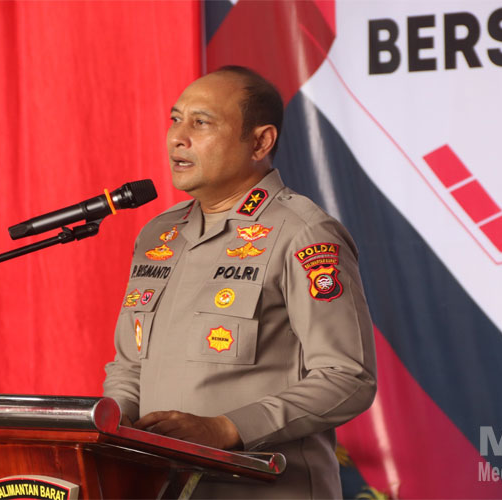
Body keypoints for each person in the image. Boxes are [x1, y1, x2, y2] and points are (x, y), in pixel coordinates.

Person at [103, 66, 376, 499]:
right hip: (164, 487)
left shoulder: (303, 233)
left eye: (201, 123)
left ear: (260, 142)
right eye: (175, 119)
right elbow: (130, 365)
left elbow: (348, 377)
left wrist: (227, 428)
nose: (177, 137)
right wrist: (109, 426)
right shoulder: (159, 235)